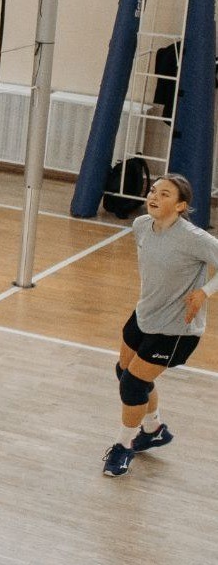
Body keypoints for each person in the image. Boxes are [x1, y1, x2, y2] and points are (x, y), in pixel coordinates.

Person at [102, 173, 218, 477]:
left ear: (180, 206)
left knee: (133, 383)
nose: (154, 197)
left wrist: (204, 292)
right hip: (144, 315)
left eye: (165, 194)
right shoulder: (141, 226)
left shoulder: (195, 238)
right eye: (153, 191)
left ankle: (124, 446)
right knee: (124, 371)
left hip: (176, 329)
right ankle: (153, 429)